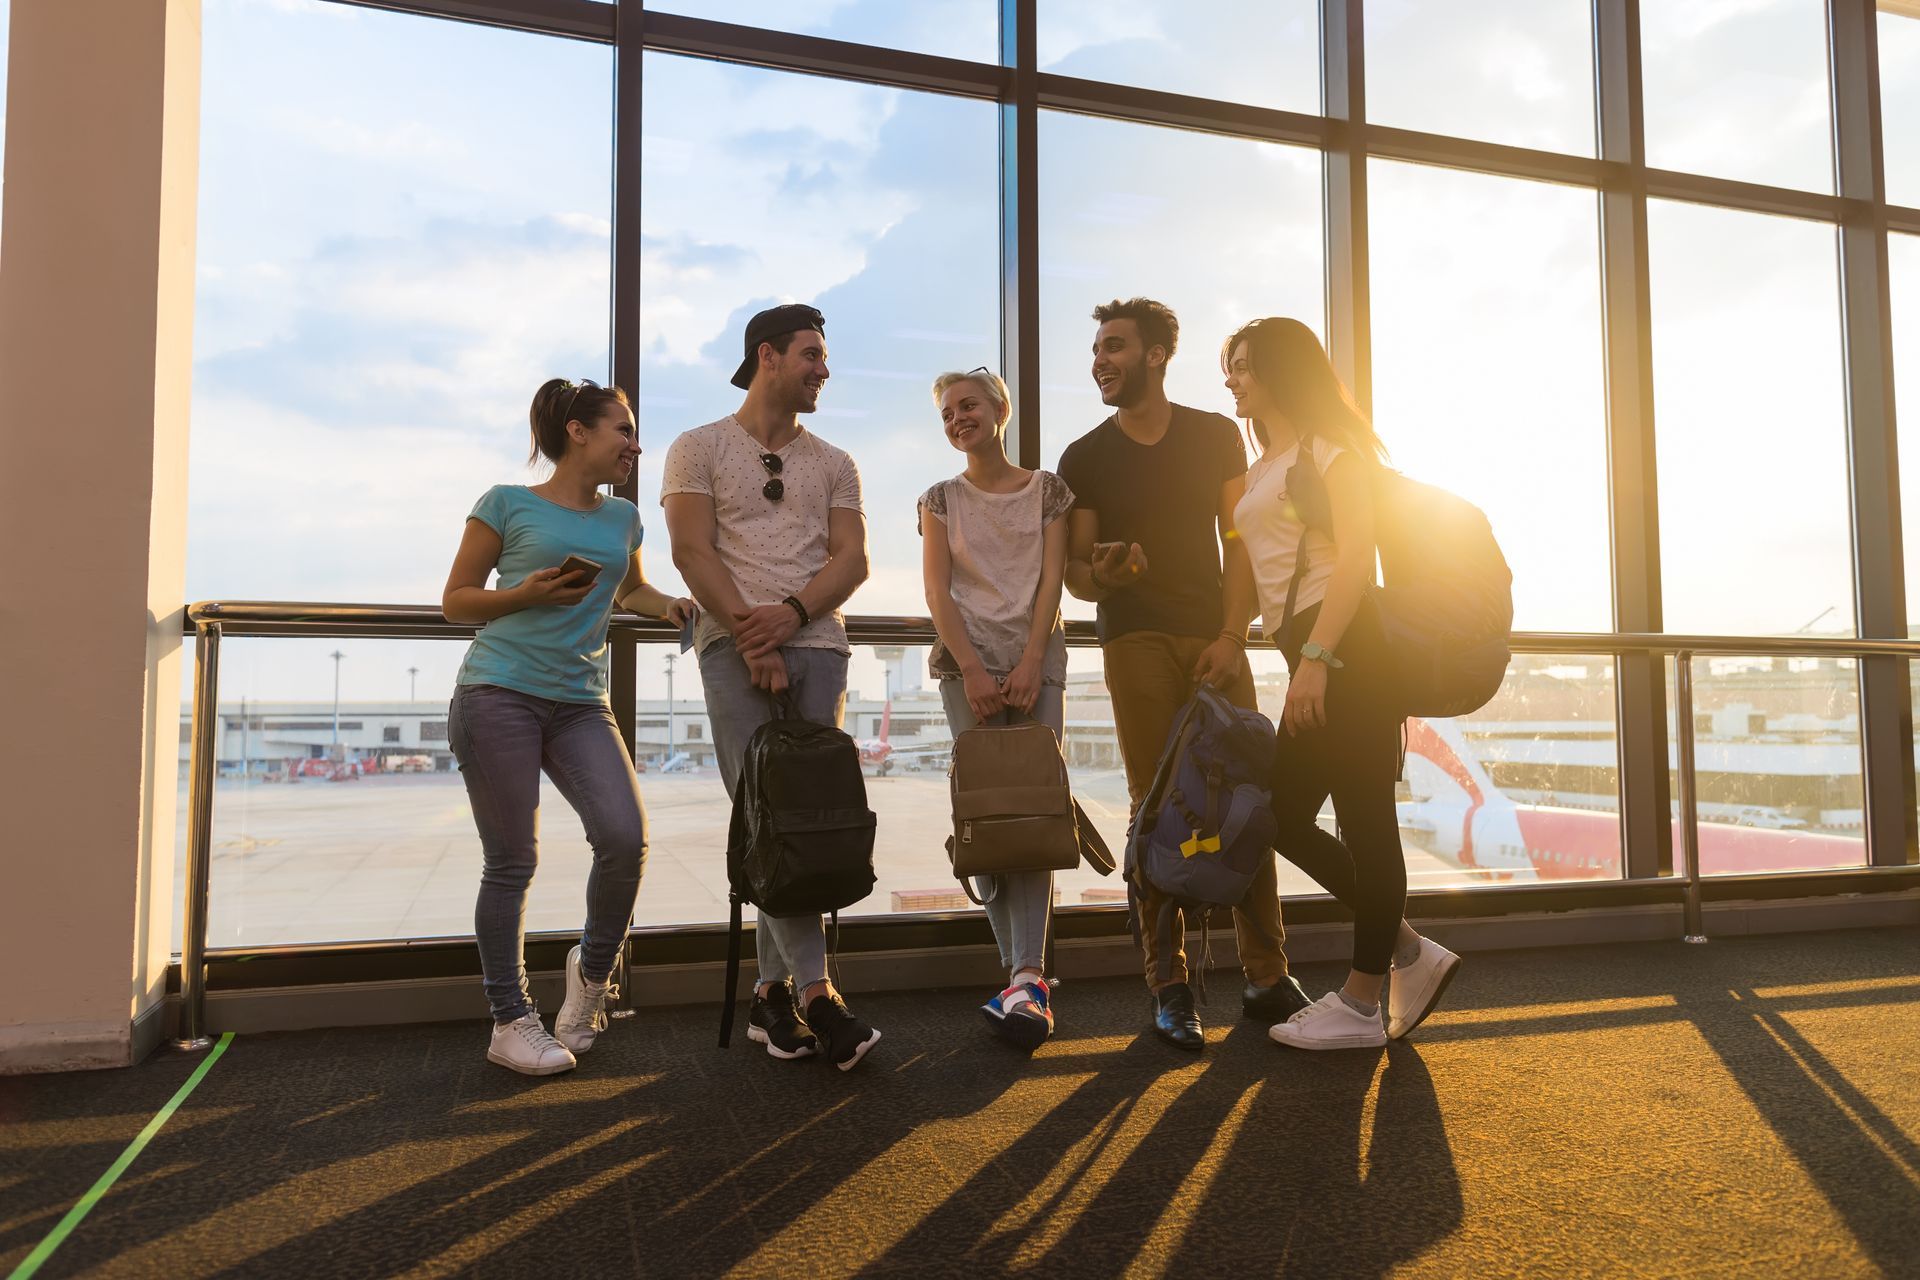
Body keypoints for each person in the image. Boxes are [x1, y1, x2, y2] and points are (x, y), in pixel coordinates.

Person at [1057, 297, 1310, 1052]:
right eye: (1097, 348)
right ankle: (1169, 987)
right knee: (1156, 805)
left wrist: (1236, 634)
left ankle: (1266, 975)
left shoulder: (1212, 435)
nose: (1100, 360)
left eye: (1115, 347)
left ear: (1158, 355)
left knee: (1245, 799)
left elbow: (1238, 543)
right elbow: (1077, 572)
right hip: (1132, 639)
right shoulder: (1084, 456)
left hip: (1215, 638)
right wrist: (1103, 572)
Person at [1216, 317, 1461, 1050]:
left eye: (1245, 367)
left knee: (1361, 822)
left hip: (1347, 649)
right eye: (1228, 368)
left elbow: (1357, 557)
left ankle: (1362, 1003)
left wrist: (1320, 658)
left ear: (1284, 373)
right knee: (1285, 817)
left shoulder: (1334, 450)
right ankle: (1409, 951)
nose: (1233, 380)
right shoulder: (1263, 467)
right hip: (1312, 654)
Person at [442, 378, 693, 1076]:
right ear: (577, 432)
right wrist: (527, 593)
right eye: (624, 430)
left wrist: (667, 602)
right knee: (513, 861)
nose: (635, 445)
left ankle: (589, 978)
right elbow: (456, 601)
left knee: (625, 838)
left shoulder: (623, 519)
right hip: (499, 692)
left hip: (582, 700)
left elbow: (629, 587)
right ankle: (510, 1020)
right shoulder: (506, 503)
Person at [660, 303, 882, 1071]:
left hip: (817, 645)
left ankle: (769, 995)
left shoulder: (837, 462)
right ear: (768, 356)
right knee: (767, 814)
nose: (824, 368)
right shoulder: (697, 448)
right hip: (731, 647)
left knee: (802, 823)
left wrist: (785, 620)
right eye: (812, 354)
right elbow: (691, 550)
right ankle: (820, 995)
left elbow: (851, 563)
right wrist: (749, 632)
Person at [919, 367, 1074, 1052]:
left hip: (1037, 665)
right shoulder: (939, 498)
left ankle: (1028, 977)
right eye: (948, 412)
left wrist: (1033, 660)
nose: (959, 419)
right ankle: (1022, 976)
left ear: (1000, 410)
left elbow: (1052, 582)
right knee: (987, 821)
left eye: (969, 406)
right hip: (967, 671)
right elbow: (937, 592)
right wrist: (976, 669)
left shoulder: (1049, 491)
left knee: (1035, 820)